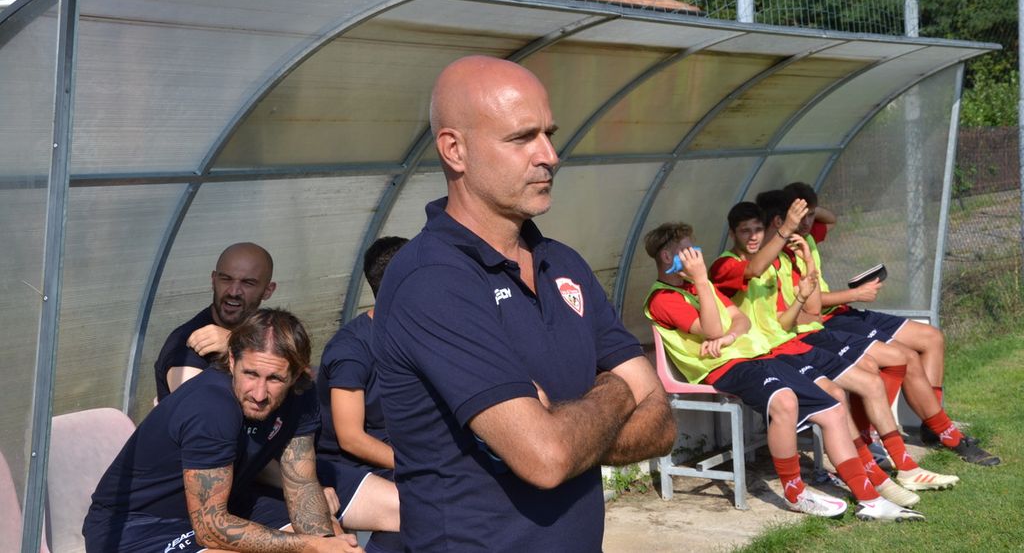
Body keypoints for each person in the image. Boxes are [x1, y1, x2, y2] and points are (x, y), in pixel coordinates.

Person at [372, 55, 676, 551]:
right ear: (454, 150)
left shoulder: (563, 263)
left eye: (549, 134)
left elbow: (661, 422)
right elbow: (546, 459)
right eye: (521, 138)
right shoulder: (432, 281)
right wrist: (618, 392)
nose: (550, 155)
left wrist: (567, 426)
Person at [643, 222, 923, 521]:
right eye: (687, 250)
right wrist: (701, 281)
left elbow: (741, 320)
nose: (696, 256)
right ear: (666, 256)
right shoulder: (663, 298)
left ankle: (869, 498)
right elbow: (711, 328)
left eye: (694, 249)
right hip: (722, 368)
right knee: (784, 401)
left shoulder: (699, 287)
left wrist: (728, 336)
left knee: (832, 409)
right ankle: (795, 493)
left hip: (755, 355)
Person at [715, 199, 957, 495]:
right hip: (769, 352)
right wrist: (790, 232)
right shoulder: (728, 266)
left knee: (877, 375)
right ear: (733, 233)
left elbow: (809, 311)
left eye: (757, 229)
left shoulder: (780, 259)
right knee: (839, 395)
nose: (753, 236)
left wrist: (808, 265)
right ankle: (865, 474)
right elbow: (755, 278)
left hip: (793, 341)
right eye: (745, 231)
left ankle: (902, 466)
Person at [84, 308, 362, 553]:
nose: (259, 393)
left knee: (335, 537)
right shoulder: (212, 407)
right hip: (137, 526)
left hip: (228, 504)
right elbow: (210, 528)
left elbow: (301, 485)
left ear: (297, 375)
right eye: (250, 374)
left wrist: (326, 543)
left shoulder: (301, 394)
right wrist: (309, 546)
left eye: (275, 379)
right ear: (231, 361)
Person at [777, 183, 1000, 466]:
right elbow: (810, 304)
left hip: (842, 312)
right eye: (802, 215)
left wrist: (808, 208)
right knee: (903, 358)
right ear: (782, 219)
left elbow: (830, 220)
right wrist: (856, 294)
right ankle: (942, 433)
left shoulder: (807, 237)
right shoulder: (782, 254)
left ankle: (931, 425)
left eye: (810, 214)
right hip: (827, 322)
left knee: (931, 337)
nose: (809, 221)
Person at [316, 237, 408, 552]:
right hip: (349, 467)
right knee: (419, 505)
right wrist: (414, 461)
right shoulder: (351, 350)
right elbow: (351, 438)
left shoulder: (417, 335)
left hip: (400, 452)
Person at [154, 242, 277, 401]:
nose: (234, 292)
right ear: (213, 280)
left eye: (248, 283)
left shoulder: (270, 329)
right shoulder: (186, 347)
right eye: (226, 279)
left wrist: (236, 344)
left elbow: (301, 380)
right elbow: (203, 408)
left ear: (268, 290)